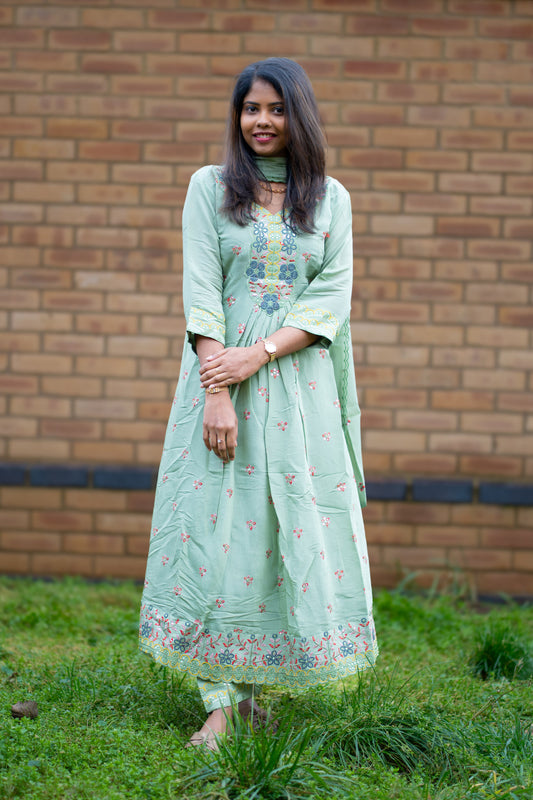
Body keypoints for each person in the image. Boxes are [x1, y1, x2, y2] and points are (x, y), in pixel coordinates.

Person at [139, 57, 378, 751]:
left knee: (281, 535)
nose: (261, 122)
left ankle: (254, 692)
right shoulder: (209, 188)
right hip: (219, 388)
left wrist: (262, 352)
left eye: (274, 109)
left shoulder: (329, 199)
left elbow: (331, 298)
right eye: (250, 109)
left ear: (296, 115)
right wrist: (220, 389)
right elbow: (201, 292)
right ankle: (219, 701)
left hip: (300, 397)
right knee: (217, 533)